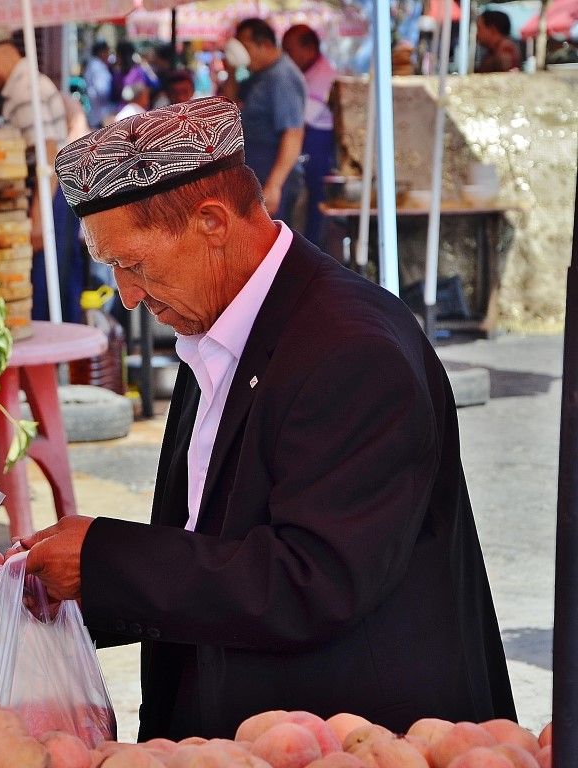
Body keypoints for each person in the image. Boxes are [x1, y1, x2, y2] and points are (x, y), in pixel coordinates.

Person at [26, 98, 517, 741]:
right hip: (262, 735)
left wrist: (105, 562)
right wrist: (67, 580)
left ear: (211, 222)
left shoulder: (352, 350)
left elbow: (311, 581)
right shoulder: (215, 327)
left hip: (360, 740)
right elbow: (212, 545)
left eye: (134, 264)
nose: (127, 294)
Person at [0, 26, 82, 323]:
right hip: (52, 197)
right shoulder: (29, 83)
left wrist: (39, 217)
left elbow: (47, 154)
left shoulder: (24, 89)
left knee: (43, 297)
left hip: (50, 199)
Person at [221, 18, 306, 220]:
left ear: (266, 44)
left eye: (246, 46)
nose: (241, 51)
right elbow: (229, 106)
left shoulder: (282, 77)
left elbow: (293, 133)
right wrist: (231, 71)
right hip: (256, 168)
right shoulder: (259, 74)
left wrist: (274, 186)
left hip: (274, 172)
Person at [282, 24, 338, 247]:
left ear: (309, 49)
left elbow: (299, 121)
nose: (288, 56)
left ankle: (312, 249)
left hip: (318, 145)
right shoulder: (304, 73)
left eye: (290, 50)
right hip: (308, 142)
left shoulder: (323, 75)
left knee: (314, 204)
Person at [83, 40, 116, 128]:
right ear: (101, 52)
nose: (108, 54)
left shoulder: (93, 64)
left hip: (96, 115)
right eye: (107, 51)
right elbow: (102, 91)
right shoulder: (98, 67)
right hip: (101, 116)